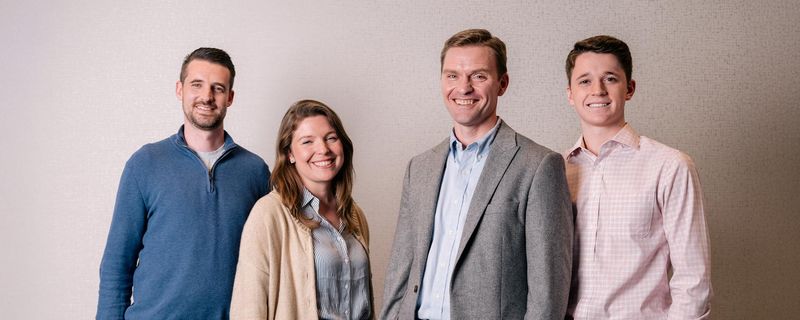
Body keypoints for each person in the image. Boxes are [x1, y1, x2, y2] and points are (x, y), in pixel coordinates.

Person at [380, 29, 574, 319]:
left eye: (478, 76)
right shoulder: (419, 168)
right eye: (452, 75)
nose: (464, 87)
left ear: (502, 83)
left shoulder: (539, 166)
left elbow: (548, 293)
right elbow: (401, 271)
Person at [96, 48, 271, 319]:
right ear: (180, 89)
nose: (206, 97)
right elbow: (117, 264)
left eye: (218, 88)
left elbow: (269, 262)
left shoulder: (255, 171)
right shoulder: (145, 164)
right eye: (196, 85)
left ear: (230, 98)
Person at [562, 35, 712, 319]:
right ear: (570, 94)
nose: (598, 90)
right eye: (584, 81)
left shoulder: (669, 166)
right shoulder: (557, 170)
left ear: (629, 88)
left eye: (610, 79)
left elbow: (694, 279)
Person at [230, 100, 372, 320]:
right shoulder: (269, 214)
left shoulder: (355, 215)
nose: (323, 149)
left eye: (331, 138)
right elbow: (248, 308)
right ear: (290, 154)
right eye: (307, 141)